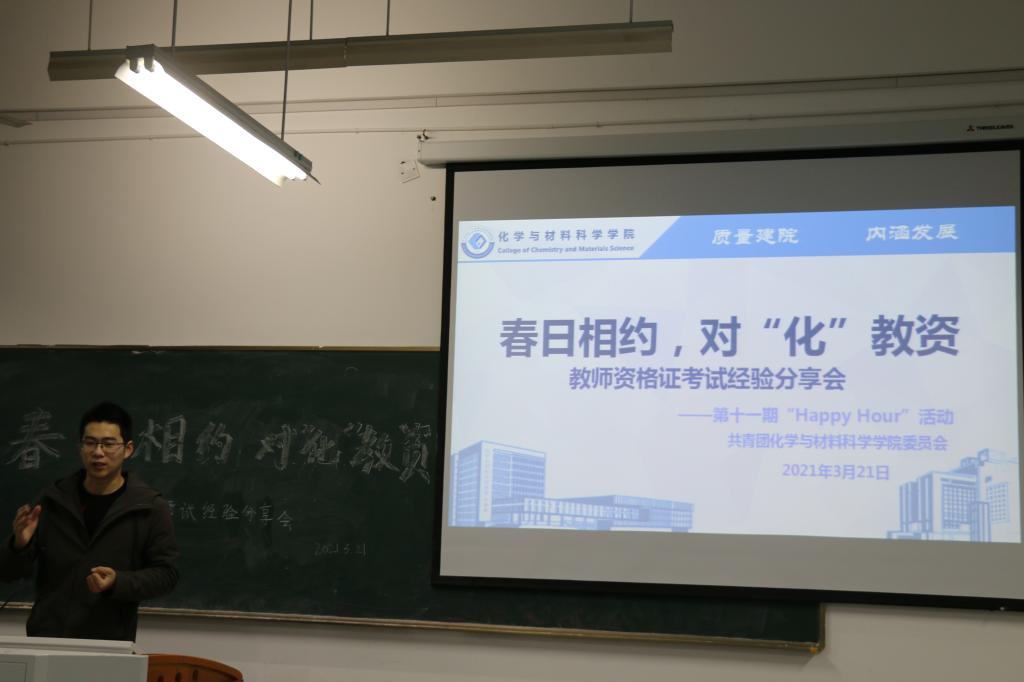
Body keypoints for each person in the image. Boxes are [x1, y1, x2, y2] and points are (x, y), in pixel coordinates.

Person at [0, 402, 179, 641]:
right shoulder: (53, 500)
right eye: (90, 443)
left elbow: (167, 574)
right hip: (47, 638)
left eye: (108, 444)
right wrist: (18, 545)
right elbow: (7, 573)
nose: (98, 452)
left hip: (110, 641)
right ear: (80, 447)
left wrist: (118, 582)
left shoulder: (148, 507)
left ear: (128, 449)